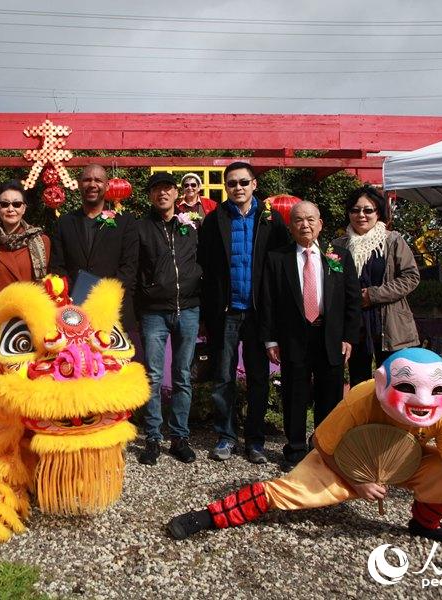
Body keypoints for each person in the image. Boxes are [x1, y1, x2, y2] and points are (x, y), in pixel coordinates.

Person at [167, 349, 442, 547]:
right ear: (381, 383)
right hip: (345, 463)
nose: (422, 400)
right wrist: (358, 482)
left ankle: (424, 525)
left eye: (435, 390)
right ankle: (210, 517)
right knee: (286, 491)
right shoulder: (362, 398)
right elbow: (321, 442)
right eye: (406, 387)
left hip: (407, 461)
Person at [198, 161, 289, 464]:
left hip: (258, 314)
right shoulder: (214, 221)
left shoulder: (272, 220)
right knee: (223, 377)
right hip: (226, 312)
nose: (237, 188)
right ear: (226, 188)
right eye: (232, 183)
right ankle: (225, 437)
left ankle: (255, 440)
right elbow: (205, 267)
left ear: (254, 185)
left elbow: (280, 268)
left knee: (259, 378)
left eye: (243, 182)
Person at [260, 200, 361, 467]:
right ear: (291, 226)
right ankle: (294, 450)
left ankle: (323, 448)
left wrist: (349, 337)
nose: (305, 225)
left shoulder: (339, 256)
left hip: (330, 336)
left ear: (320, 224)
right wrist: (271, 338)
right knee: (294, 394)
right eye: (298, 220)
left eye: (310, 219)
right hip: (293, 336)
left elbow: (352, 301)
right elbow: (268, 300)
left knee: (330, 395)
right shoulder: (277, 258)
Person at [134, 172, 203, 466]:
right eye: (156, 189)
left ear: (177, 193)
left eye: (167, 188)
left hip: (187, 308)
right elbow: (134, 270)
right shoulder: (140, 228)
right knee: (152, 375)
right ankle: (152, 436)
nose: (162, 193)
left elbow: (203, 261)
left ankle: (179, 436)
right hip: (154, 311)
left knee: (183, 375)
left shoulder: (191, 226)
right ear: (150, 195)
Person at [332, 185, 419, 387]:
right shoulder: (338, 245)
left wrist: (373, 295)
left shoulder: (392, 240)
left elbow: (411, 277)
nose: (361, 215)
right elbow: (332, 282)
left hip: (390, 325)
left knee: (395, 384)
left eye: (367, 210)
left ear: (377, 213)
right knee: (359, 383)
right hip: (355, 324)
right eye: (355, 210)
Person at [49, 164, 139, 330]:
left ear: (107, 186)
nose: (92, 184)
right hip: (74, 312)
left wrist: (102, 297)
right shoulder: (65, 223)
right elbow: (57, 267)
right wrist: (75, 295)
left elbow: (129, 268)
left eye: (98, 180)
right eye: (87, 180)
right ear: (79, 184)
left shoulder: (124, 222)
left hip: (113, 311)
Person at [0, 180, 50, 323]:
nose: (10, 209)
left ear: (24, 208)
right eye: (4, 204)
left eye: (16, 204)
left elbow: (49, 283)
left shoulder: (41, 242)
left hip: (32, 321)